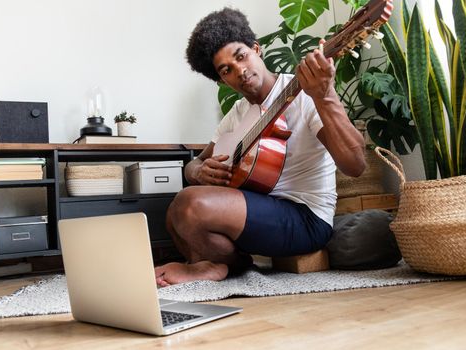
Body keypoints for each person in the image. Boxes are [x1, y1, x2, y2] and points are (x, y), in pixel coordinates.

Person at [154, 7, 365, 286]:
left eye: (241, 56)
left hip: (306, 218)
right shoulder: (238, 114)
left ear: (257, 49)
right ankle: (225, 263)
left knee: (189, 204)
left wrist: (325, 96)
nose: (240, 70)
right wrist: (199, 172)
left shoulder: (304, 92)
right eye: (226, 69)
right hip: (261, 209)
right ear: (222, 80)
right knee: (172, 215)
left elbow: (356, 165)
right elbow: (195, 163)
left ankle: (214, 264)